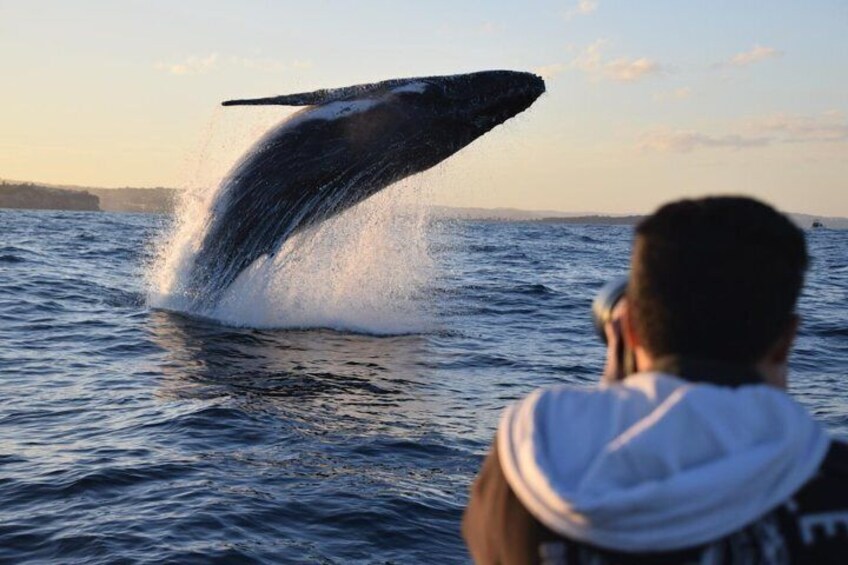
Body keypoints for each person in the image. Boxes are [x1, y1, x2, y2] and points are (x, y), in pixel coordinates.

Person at [462, 196, 848, 564]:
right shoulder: (832, 480)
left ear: (627, 329)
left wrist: (615, 404)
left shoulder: (527, 463)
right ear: (787, 340)